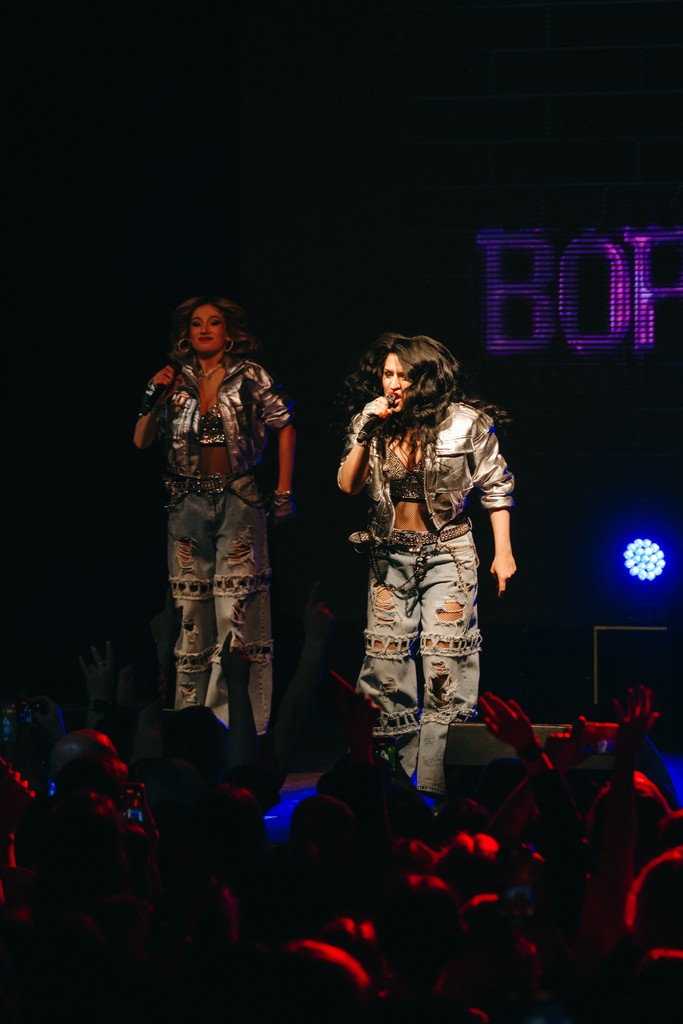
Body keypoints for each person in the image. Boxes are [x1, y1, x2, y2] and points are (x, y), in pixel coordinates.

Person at [337, 333, 515, 800]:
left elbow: (497, 487)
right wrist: (365, 430)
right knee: (385, 664)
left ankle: (437, 787)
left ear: (427, 379)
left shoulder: (466, 423)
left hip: (447, 553)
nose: (394, 384)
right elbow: (348, 485)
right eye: (388, 374)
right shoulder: (371, 422)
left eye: (404, 376)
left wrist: (503, 552)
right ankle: (389, 785)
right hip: (389, 556)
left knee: (444, 666)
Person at [133, 296, 296, 733]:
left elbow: (285, 426)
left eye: (214, 322)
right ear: (186, 334)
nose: (204, 329)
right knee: (190, 614)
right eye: (196, 323)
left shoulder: (250, 375)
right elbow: (141, 441)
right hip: (185, 503)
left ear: (229, 333)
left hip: (237, 499)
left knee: (235, 613)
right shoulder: (173, 379)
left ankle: (238, 725)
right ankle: (192, 726)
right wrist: (152, 396)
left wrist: (283, 491)